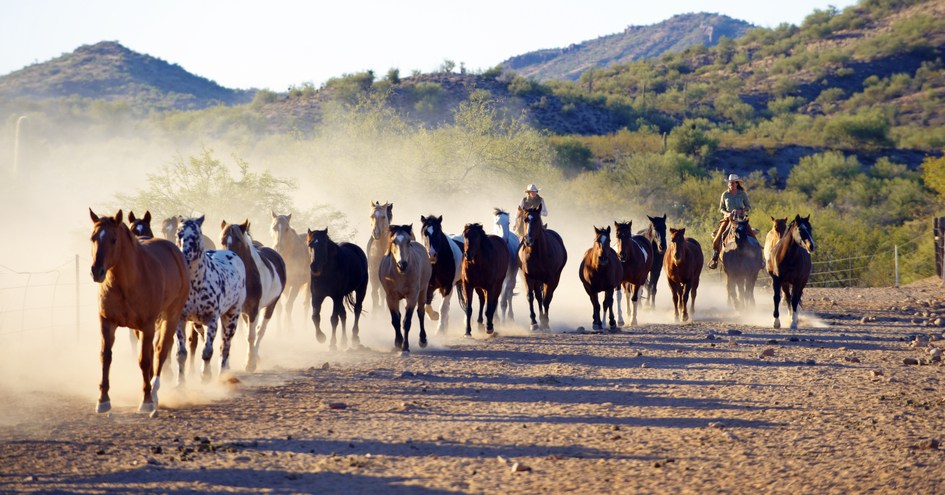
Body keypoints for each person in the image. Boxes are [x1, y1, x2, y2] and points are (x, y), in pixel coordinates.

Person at [708, 174, 752, 269]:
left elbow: (748, 207)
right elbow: (721, 208)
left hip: (741, 219)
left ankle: (759, 258)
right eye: (730, 183)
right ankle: (715, 257)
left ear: (737, 183)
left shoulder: (742, 194)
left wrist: (740, 211)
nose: (731, 184)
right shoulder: (725, 194)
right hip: (728, 219)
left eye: (733, 182)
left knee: (751, 235)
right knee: (718, 236)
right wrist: (727, 214)